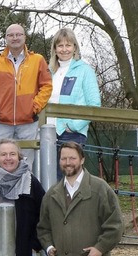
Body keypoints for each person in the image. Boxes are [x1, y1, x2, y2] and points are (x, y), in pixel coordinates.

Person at [0, 23, 53, 168]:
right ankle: (2, 192)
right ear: (6, 38)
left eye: (18, 34)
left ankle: (24, 191)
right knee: (0, 164)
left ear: (24, 37)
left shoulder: (37, 60)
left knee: (25, 165)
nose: (15, 38)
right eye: (11, 35)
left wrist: (35, 106)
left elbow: (46, 86)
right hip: (2, 124)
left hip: (28, 123)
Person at [48, 28, 100, 180]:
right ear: (55, 49)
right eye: (60, 45)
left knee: (70, 178)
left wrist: (75, 125)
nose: (64, 49)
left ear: (75, 47)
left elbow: (94, 104)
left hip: (71, 133)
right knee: (49, 178)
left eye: (68, 45)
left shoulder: (85, 70)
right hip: (47, 132)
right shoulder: (48, 71)